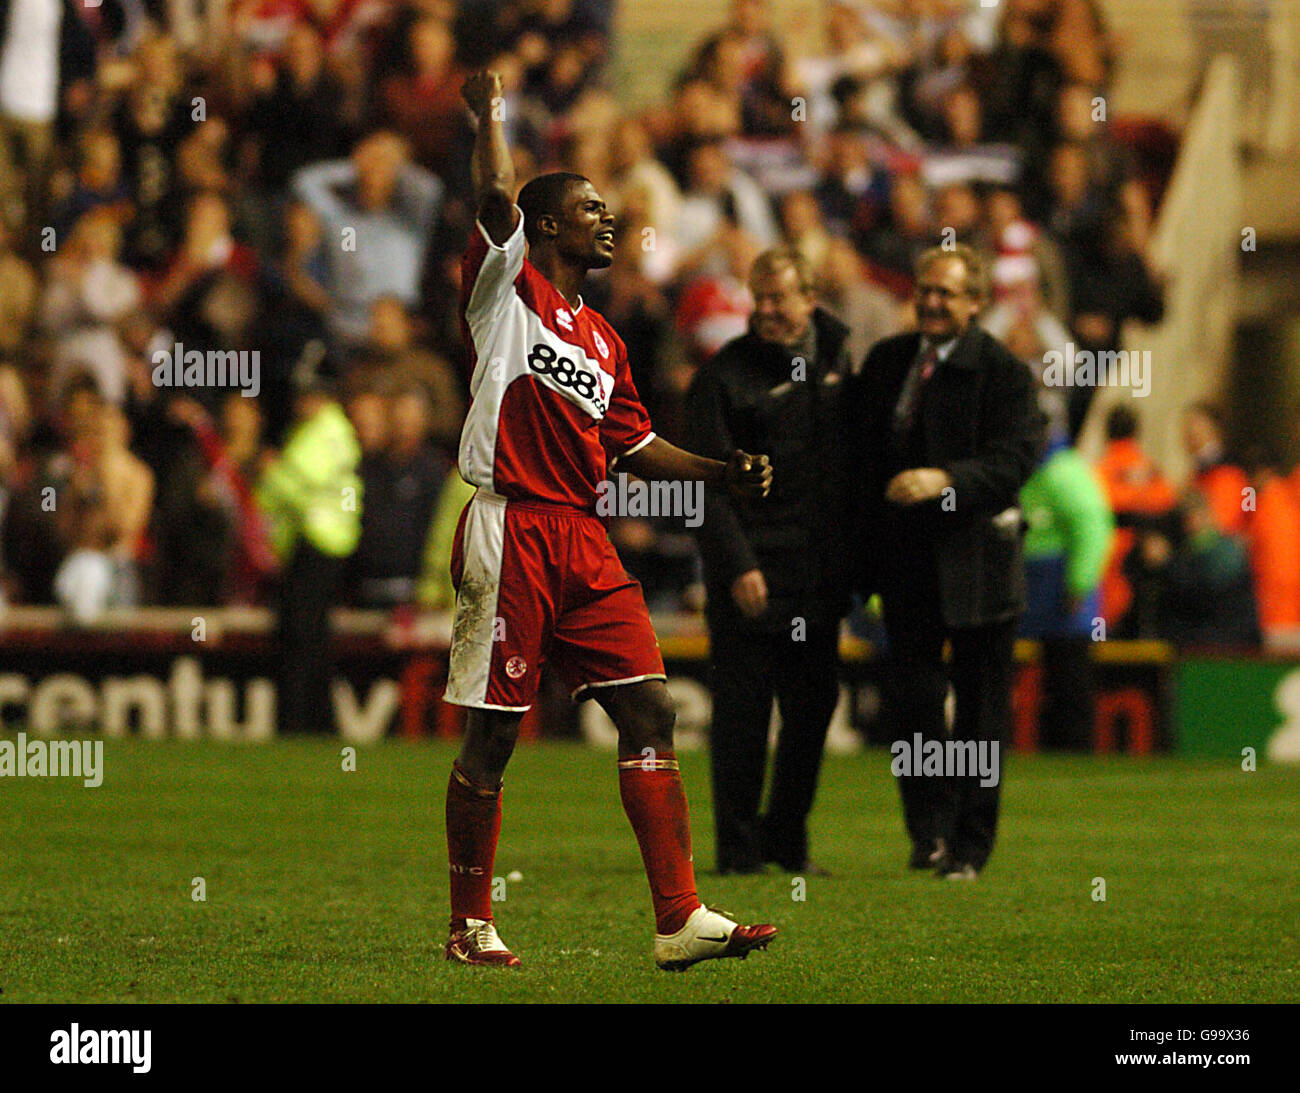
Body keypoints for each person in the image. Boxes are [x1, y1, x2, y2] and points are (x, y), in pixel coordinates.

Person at [442, 71, 777, 971]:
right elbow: (491, 193)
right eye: (590, 207)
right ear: (544, 223)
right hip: (511, 524)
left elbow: (635, 443)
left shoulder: (604, 337)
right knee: (496, 732)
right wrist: (493, 113)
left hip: (581, 537)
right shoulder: (506, 292)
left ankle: (679, 919)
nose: (608, 218)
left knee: (654, 707)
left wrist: (721, 473)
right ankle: (470, 921)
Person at [850, 244, 1044, 880]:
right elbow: (860, 456)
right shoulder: (886, 361)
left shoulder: (1005, 374)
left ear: (977, 301)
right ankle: (925, 835)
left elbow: (1016, 463)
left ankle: (970, 846)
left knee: (983, 711)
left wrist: (945, 479)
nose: (932, 302)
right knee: (912, 706)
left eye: (947, 293)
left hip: (979, 569)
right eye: (925, 289)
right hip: (906, 567)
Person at [686, 246, 854, 876]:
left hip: (816, 574)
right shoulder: (722, 378)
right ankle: (736, 851)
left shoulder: (838, 363)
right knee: (742, 715)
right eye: (760, 299)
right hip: (754, 572)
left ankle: (786, 840)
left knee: (812, 711)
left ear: (811, 299)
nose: (767, 312)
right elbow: (703, 485)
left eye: (780, 298)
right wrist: (736, 565)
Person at [255, 364, 363, 735]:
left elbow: (292, 483)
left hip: (322, 543)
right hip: (311, 543)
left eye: (310, 393)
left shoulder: (330, 429)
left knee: (303, 636)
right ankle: (314, 722)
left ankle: (301, 722)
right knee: (306, 636)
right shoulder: (312, 430)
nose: (303, 400)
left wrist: (270, 473)